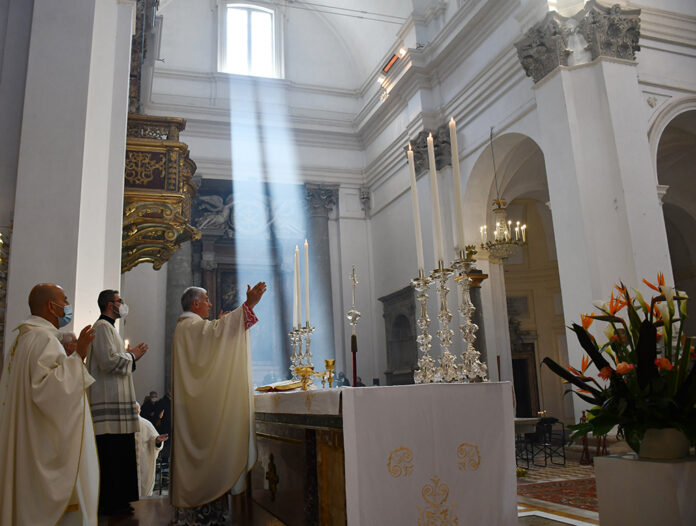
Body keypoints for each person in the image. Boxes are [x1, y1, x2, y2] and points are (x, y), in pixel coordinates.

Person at [0, 283, 98, 525]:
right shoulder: (44, 339)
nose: (67, 306)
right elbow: (49, 391)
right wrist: (79, 356)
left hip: (29, 435)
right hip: (41, 442)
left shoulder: (23, 340)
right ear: (50, 307)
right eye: (64, 301)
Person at [171, 283, 266, 525]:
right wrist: (248, 306)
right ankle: (203, 514)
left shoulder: (188, 327)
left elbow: (214, 335)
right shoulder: (192, 326)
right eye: (206, 300)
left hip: (193, 410)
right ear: (195, 304)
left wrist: (222, 326)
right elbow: (214, 334)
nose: (210, 304)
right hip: (200, 414)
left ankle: (198, 512)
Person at [86, 289, 148, 516]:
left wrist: (129, 356)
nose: (123, 304)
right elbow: (107, 361)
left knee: (119, 452)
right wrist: (132, 356)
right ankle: (112, 503)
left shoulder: (109, 328)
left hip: (116, 404)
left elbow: (113, 359)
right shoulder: (102, 327)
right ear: (110, 305)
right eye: (120, 300)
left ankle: (120, 501)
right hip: (107, 403)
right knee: (112, 454)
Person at [135, 402, 168, 497]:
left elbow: (154, 440)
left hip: (143, 461)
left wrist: (157, 441)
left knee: (143, 487)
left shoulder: (146, 424)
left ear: (139, 410)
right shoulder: (124, 425)